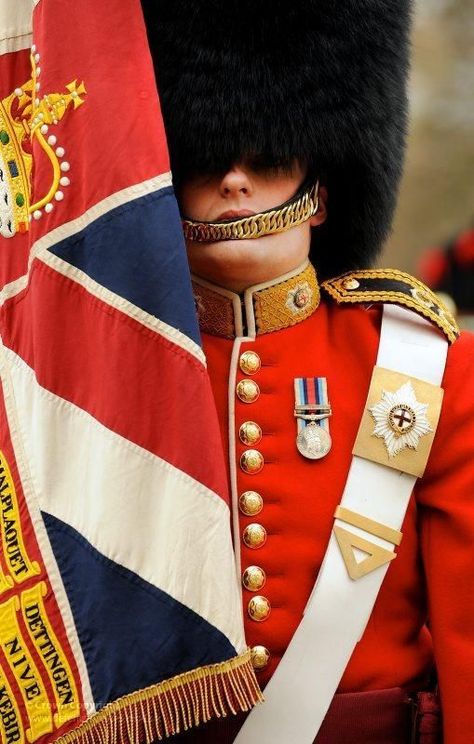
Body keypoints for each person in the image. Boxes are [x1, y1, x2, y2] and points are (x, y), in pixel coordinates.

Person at [142, 1, 474, 741]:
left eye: (267, 156)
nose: (233, 180)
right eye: (204, 158)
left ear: (319, 192)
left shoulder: (424, 365)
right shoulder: (117, 369)